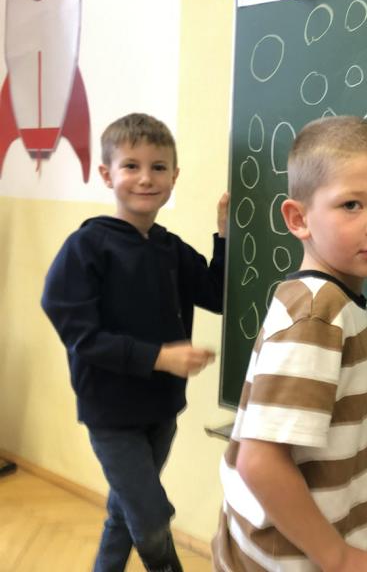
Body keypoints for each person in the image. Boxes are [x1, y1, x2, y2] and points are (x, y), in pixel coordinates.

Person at [213, 116, 367, 572]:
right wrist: (338, 556)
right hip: (285, 559)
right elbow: (260, 461)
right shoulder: (318, 316)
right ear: (299, 219)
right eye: (351, 204)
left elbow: (298, 425)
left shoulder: (329, 302)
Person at [41, 112, 229, 572]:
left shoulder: (170, 248)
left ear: (174, 177)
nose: (146, 178)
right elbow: (82, 336)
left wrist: (226, 237)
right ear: (107, 175)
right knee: (150, 519)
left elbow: (217, 294)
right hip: (111, 412)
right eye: (131, 166)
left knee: (124, 513)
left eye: (158, 167)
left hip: (161, 408)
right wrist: (159, 357)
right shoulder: (87, 247)